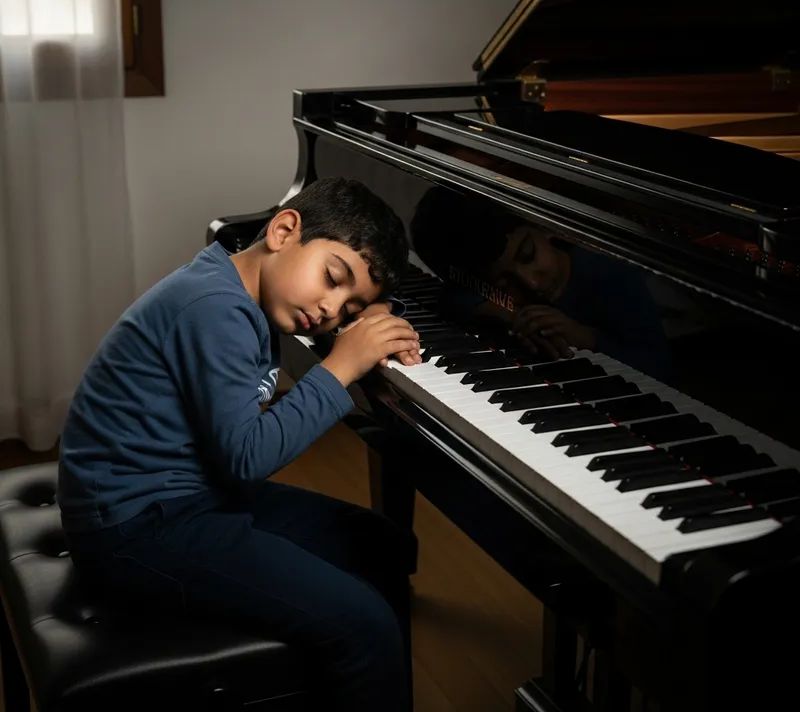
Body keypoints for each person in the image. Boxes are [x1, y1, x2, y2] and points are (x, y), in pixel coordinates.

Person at [57, 176, 423, 712]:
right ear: (283, 230)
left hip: (185, 497)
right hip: (132, 527)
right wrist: (342, 364)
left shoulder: (238, 286)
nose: (331, 310)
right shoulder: (215, 308)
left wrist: (368, 318)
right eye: (333, 278)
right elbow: (247, 457)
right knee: (364, 625)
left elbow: (232, 450)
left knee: (379, 543)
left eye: (349, 308)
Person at [410, 186, 670, 379]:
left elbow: (660, 367)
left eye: (528, 254)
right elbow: (454, 295)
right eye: (504, 282)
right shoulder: (480, 285)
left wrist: (588, 337)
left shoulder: (609, 274)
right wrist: (508, 312)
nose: (532, 283)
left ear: (540, 225)